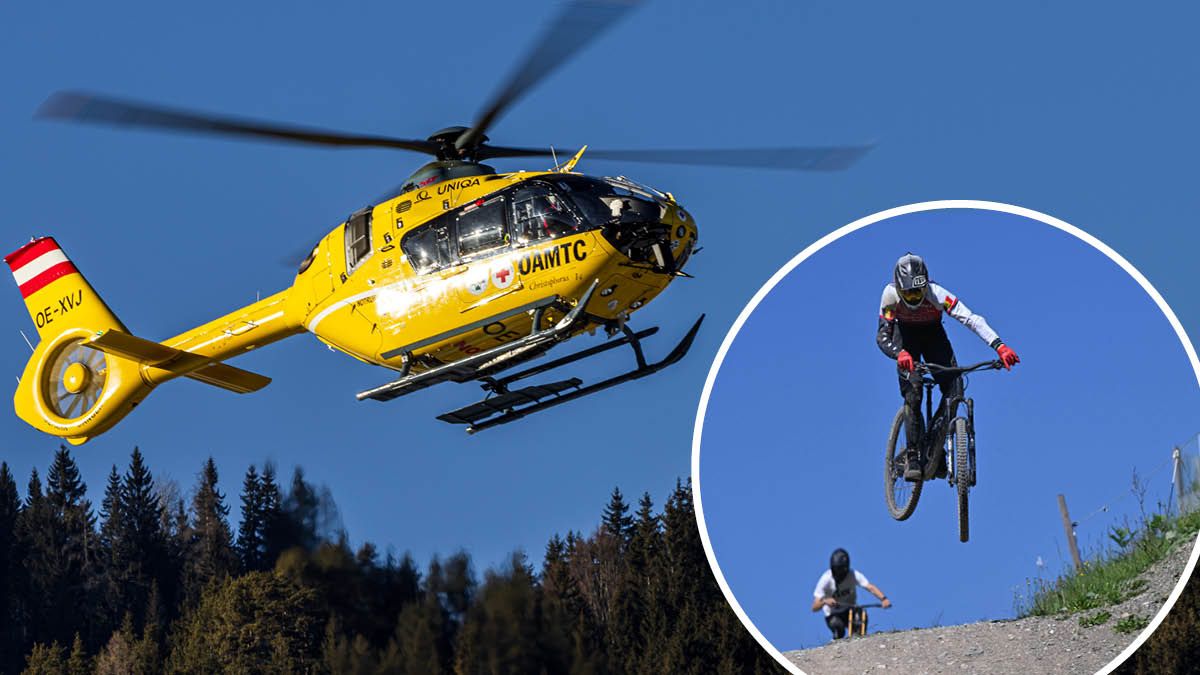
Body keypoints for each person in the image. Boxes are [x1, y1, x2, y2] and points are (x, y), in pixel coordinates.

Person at [877, 253, 1020, 481]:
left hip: (933, 336)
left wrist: (999, 346)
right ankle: (913, 455)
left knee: (955, 390)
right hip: (905, 340)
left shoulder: (937, 294)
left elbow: (970, 318)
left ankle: (936, 448)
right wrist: (899, 353)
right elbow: (882, 335)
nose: (914, 300)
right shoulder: (890, 295)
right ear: (899, 288)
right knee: (914, 393)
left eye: (918, 293)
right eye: (909, 294)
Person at [811, 548, 890, 640]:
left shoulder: (853, 575)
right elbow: (814, 607)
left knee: (860, 617)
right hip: (833, 614)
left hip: (850, 610)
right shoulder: (826, 579)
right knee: (838, 628)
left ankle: (858, 643)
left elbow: (870, 587)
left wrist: (883, 599)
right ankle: (836, 646)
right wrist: (824, 601)